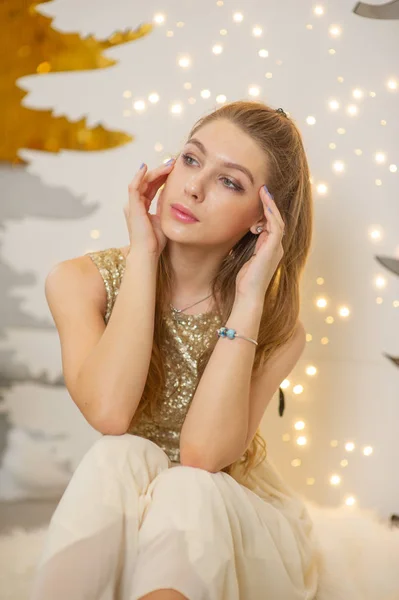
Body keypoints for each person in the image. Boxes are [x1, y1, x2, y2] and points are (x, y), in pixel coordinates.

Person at [30, 101, 322, 600]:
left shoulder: (277, 327)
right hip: (127, 499)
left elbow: (203, 455)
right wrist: (144, 256)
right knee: (116, 454)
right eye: (191, 159)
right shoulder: (79, 282)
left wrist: (249, 299)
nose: (193, 187)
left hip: (228, 519)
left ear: (262, 220)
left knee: (188, 485)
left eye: (230, 182)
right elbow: (110, 412)